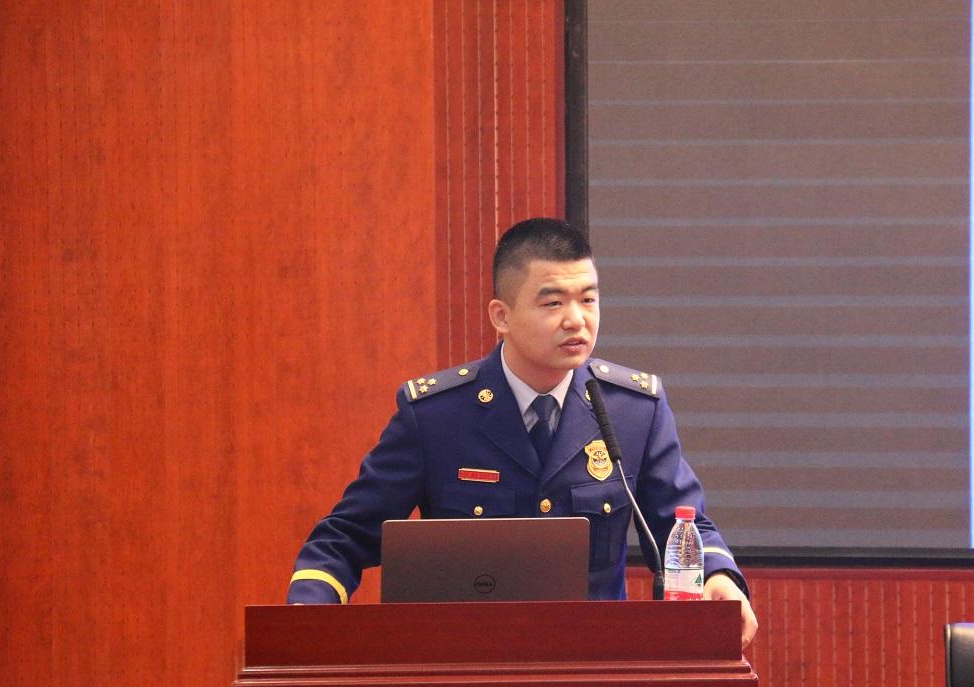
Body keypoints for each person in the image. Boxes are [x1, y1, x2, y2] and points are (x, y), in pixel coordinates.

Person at [287, 218, 758, 648]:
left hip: (595, 671)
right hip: (461, 669)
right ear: (501, 316)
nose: (577, 320)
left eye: (588, 299)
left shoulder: (633, 411)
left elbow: (684, 525)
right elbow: (346, 536)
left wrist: (720, 578)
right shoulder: (436, 416)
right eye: (553, 303)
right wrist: (310, 607)